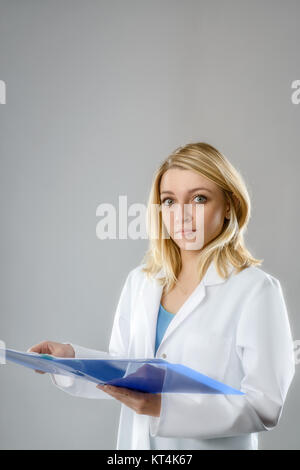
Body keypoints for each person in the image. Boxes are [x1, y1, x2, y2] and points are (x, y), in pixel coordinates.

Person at [28, 142, 295, 450]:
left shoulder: (256, 291)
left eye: (199, 198)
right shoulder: (141, 281)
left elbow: (265, 406)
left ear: (229, 206)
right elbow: (125, 371)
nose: (181, 216)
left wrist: (163, 409)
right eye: (169, 201)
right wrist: (70, 360)